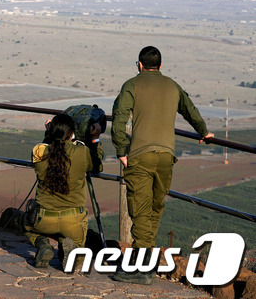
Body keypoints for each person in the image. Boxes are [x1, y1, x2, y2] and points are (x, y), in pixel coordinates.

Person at [111, 46, 214, 284]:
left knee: (140, 211)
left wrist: (120, 150)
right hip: (167, 157)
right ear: (160, 65)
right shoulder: (172, 85)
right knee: (155, 208)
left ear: (139, 64)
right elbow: (190, 110)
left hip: (140, 156)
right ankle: (147, 263)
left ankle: (141, 268)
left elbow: (118, 120)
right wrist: (204, 131)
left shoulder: (131, 85)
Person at [23, 113, 102, 271]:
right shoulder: (81, 152)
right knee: (78, 254)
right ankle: (71, 252)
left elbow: (45, 149)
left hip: (44, 219)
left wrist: (48, 134)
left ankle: (43, 244)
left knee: (26, 223)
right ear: (72, 133)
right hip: (73, 220)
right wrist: (95, 139)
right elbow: (97, 165)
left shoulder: (39, 151)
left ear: (52, 131)